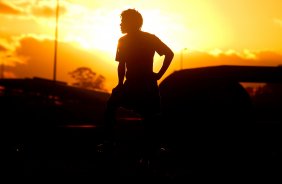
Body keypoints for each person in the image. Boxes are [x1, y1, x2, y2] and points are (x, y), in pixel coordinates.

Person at [102, 8, 174, 159]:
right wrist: (159, 74)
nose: (120, 24)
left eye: (123, 21)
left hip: (135, 85)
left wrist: (120, 84)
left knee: (112, 106)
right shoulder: (148, 38)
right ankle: (151, 149)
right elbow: (169, 54)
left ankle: (110, 142)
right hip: (146, 85)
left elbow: (121, 65)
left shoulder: (124, 41)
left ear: (131, 23)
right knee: (151, 117)